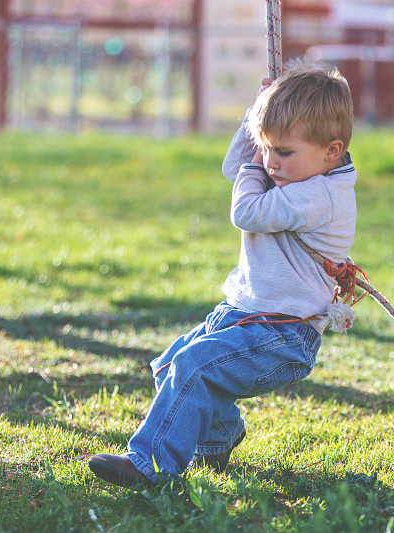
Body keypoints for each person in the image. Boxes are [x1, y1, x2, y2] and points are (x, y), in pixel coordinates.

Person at [88, 59, 357, 487]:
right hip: (244, 314)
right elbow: (237, 168)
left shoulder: (320, 195)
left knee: (194, 365)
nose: (269, 163)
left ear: (332, 150)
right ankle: (217, 439)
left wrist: (259, 161)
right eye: (266, 148)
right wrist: (257, 118)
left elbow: (245, 209)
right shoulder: (300, 172)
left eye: (282, 152)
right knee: (171, 365)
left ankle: (151, 464)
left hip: (282, 334)